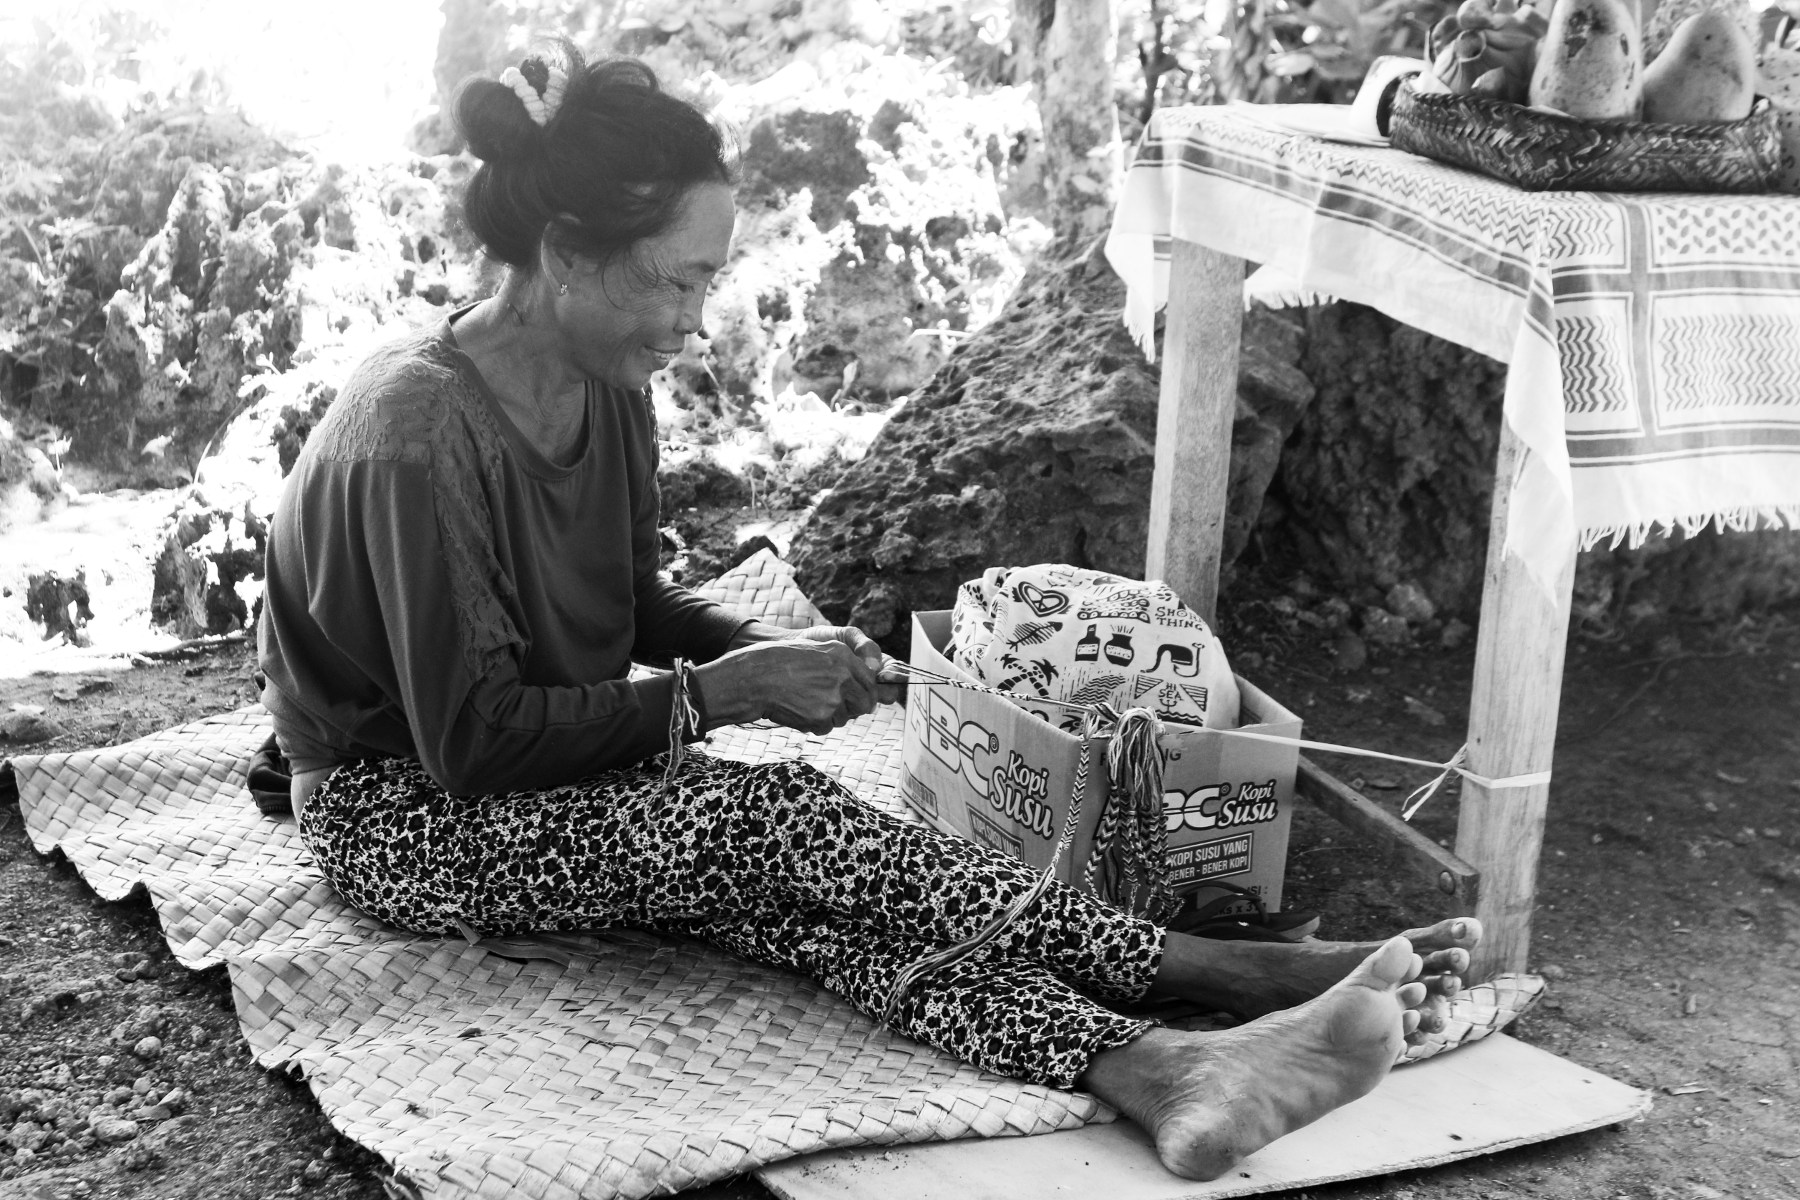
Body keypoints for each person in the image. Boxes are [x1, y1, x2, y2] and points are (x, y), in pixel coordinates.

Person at [256, 44, 1481, 1183]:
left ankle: (1156, 1064)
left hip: (506, 776)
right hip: (399, 811)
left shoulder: (600, 377)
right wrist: (720, 697)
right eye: (677, 281)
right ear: (569, 255)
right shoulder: (414, 435)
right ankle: (1219, 971)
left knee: (806, 905)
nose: (694, 322)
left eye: (709, 282)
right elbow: (474, 745)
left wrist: (767, 653)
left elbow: (631, 603)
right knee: (776, 820)